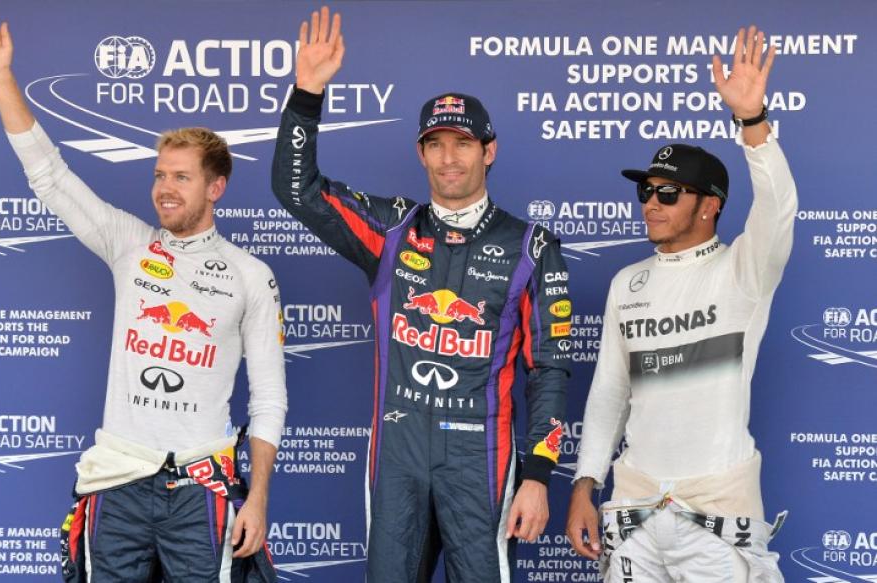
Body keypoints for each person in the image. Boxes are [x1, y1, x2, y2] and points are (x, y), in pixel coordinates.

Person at [0, 7, 286, 582]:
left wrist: (256, 499)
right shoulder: (130, 244)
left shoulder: (250, 274)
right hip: (117, 479)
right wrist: (1, 79)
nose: (164, 188)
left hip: (201, 488)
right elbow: (50, 176)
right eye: (159, 175)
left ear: (216, 187)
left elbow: (269, 398)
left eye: (181, 177)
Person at [271, 7, 571, 582]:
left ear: (489, 150)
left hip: (481, 460)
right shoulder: (391, 229)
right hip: (399, 455)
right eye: (435, 144)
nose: (449, 158)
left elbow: (550, 372)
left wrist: (537, 475)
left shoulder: (531, 247)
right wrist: (307, 95)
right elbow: (298, 191)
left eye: (463, 143)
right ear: (421, 153)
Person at [565, 26, 795, 582]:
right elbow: (610, 393)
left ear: (709, 206)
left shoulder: (743, 271)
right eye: (646, 190)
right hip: (633, 515)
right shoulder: (627, 283)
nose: (651, 203)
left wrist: (752, 122)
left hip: (717, 517)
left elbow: (778, 209)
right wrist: (584, 485)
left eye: (668, 193)